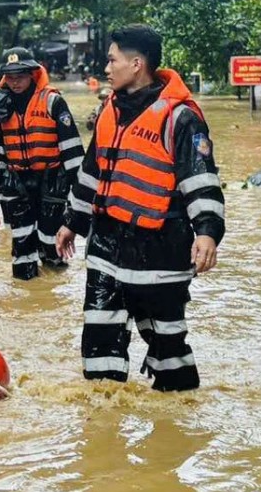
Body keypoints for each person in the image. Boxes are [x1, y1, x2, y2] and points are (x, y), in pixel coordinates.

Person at [56, 25, 224, 392]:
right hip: (106, 247)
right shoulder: (108, 112)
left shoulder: (182, 118)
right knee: (99, 344)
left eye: (111, 60)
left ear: (136, 64)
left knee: (167, 345)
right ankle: (103, 434)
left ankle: (177, 421)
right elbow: (91, 171)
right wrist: (71, 222)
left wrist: (208, 232)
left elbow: (200, 180)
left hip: (160, 250)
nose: (106, 68)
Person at [0, 47, 84, 280]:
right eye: (10, 77)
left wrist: (77, 198)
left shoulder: (53, 102)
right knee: (22, 245)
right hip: (17, 183)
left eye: (21, 76)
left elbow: (73, 152)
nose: (15, 82)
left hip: (52, 180)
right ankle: (27, 292)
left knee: (50, 242)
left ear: (32, 74)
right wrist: (1, 191)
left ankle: (52, 292)